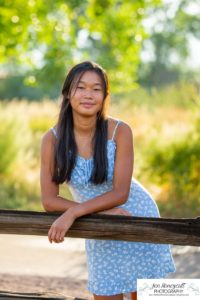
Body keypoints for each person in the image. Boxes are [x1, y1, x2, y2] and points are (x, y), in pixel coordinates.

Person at [40, 61, 175, 300]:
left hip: (135, 216)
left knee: (148, 296)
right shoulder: (51, 140)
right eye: (81, 87)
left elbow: (120, 193)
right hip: (98, 224)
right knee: (105, 293)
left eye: (97, 89)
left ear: (105, 96)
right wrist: (96, 214)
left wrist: (73, 212)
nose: (88, 95)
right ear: (67, 92)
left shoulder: (120, 131)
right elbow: (49, 200)